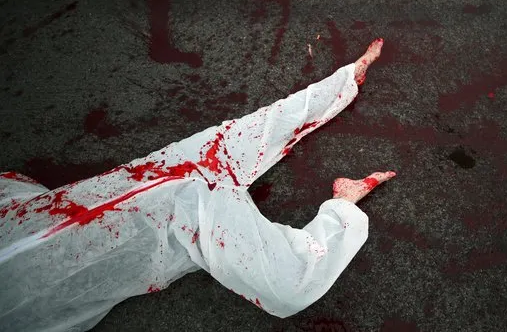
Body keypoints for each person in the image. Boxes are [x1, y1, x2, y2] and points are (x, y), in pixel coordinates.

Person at [0, 39, 395, 332]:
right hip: (127, 235)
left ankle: (341, 84)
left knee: (209, 150)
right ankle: (342, 209)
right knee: (281, 277)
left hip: (53, 212)